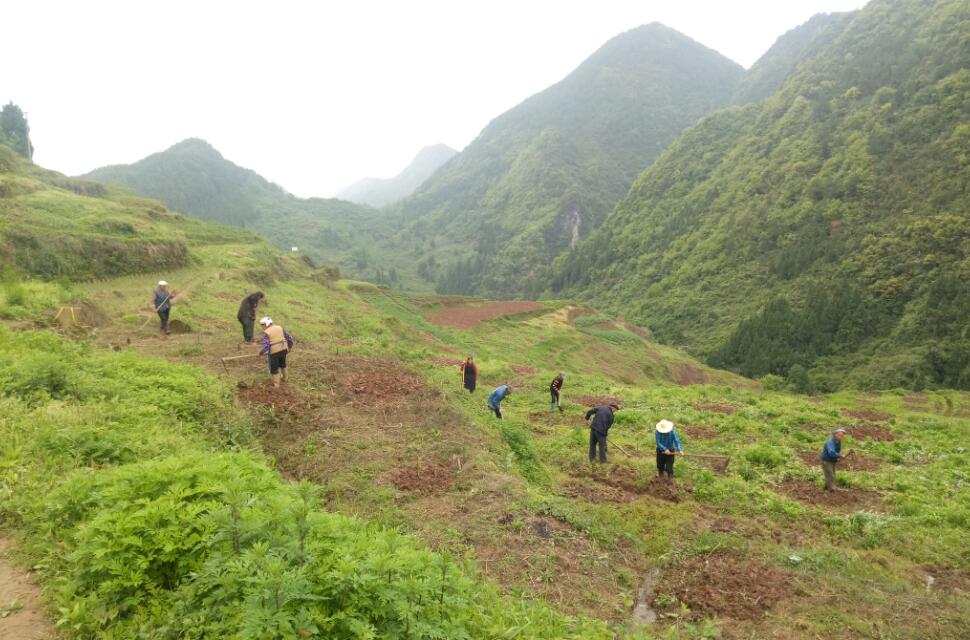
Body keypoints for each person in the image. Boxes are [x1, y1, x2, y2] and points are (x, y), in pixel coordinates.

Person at [258, 317, 294, 387]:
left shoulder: (267, 332)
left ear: (266, 324)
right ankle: (285, 378)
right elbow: (289, 337)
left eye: (262, 325)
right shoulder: (280, 328)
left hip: (274, 352)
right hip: (284, 349)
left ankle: (276, 385)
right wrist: (289, 346)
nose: (262, 327)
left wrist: (261, 352)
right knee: (283, 364)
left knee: (274, 369)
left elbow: (266, 346)